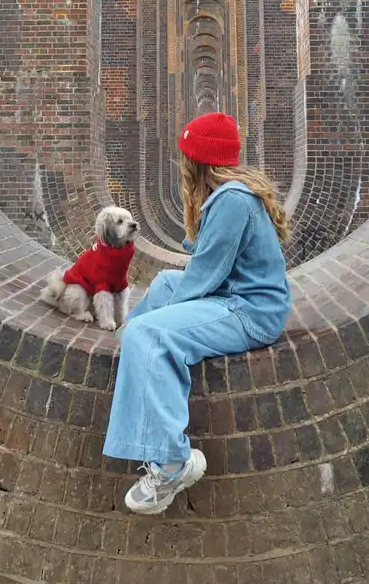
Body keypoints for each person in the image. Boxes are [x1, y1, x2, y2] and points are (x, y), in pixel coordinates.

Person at [103, 112, 291, 515]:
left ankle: (172, 462)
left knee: (149, 335)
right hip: (237, 296)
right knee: (164, 284)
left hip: (249, 311)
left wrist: (153, 324)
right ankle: (131, 354)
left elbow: (205, 275)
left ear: (197, 160)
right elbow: (207, 264)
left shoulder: (232, 202)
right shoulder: (232, 195)